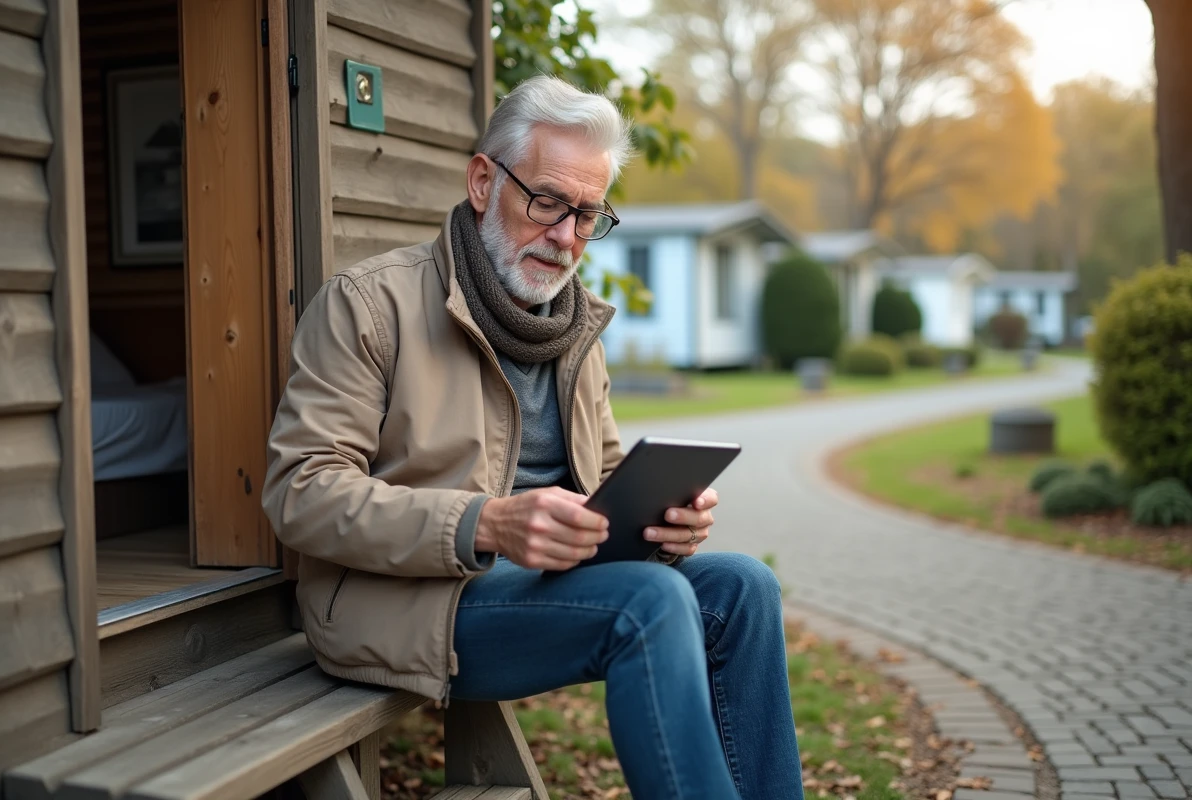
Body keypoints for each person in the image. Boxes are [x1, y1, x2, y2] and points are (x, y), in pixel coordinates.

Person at [262, 75, 803, 800]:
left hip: (550, 588)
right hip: (409, 606)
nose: (566, 237)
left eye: (587, 215)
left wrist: (666, 524)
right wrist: (486, 524)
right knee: (650, 603)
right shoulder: (367, 305)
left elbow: (607, 477)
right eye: (547, 202)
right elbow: (300, 492)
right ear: (483, 181)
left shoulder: (575, 326)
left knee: (744, 587)